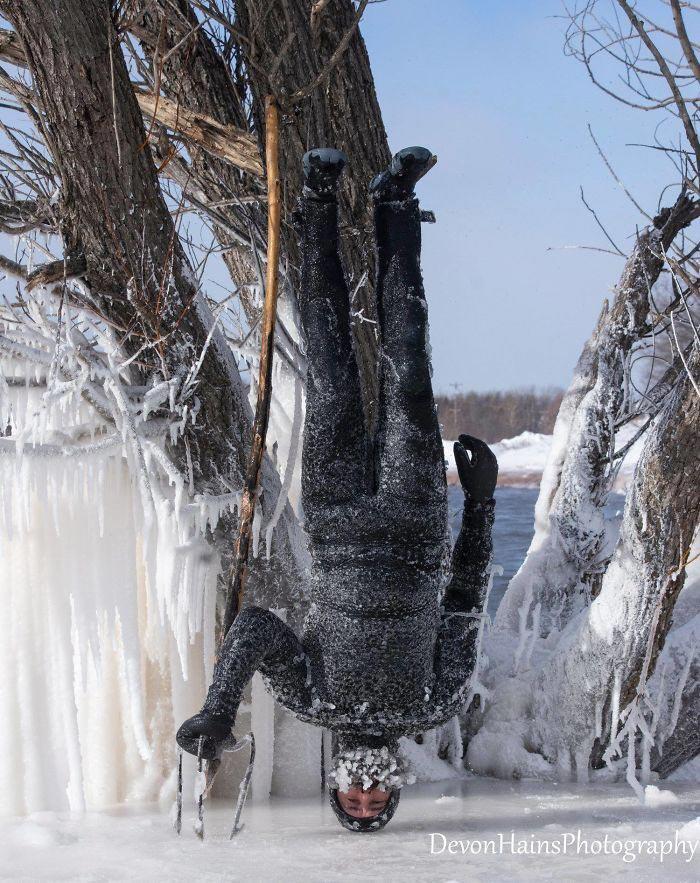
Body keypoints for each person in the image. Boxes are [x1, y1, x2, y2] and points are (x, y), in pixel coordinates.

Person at [177, 146, 498, 833]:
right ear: (393, 792)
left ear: (337, 786)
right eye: (373, 802)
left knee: (330, 363)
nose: (363, 791)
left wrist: (218, 706)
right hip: (415, 522)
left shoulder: (312, 699)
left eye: (351, 800)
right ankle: (395, 205)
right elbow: (466, 599)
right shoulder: (433, 701)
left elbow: (257, 628)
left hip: (338, 517)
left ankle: (317, 202)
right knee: (407, 361)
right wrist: (484, 504)